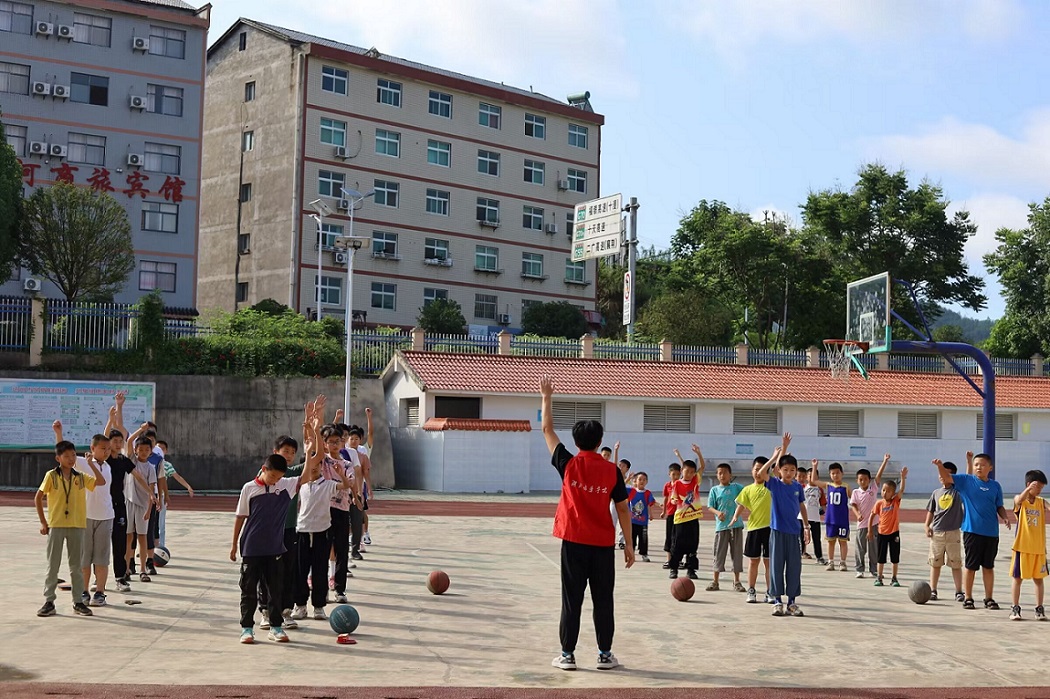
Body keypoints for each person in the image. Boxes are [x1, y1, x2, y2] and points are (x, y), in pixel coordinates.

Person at [540, 376, 633, 672]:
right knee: (603, 599)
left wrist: (546, 396)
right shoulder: (612, 472)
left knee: (572, 599)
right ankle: (605, 655)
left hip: (574, 542)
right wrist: (629, 544)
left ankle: (567, 655)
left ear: (576, 441)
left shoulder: (568, 463)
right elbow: (623, 509)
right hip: (603, 545)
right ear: (600, 441)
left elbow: (547, 429)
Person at [230, 452, 310, 644]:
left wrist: (310, 448)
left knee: (275, 590)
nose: (275, 480)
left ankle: (276, 627)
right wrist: (233, 545)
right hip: (251, 548)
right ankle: (247, 629)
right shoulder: (249, 488)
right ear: (264, 469)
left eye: (279, 477)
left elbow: (307, 474)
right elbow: (240, 517)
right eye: (272, 476)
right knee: (248, 590)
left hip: (274, 548)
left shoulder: (284, 486)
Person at [35, 440, 105, 617]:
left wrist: (90, 464)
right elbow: (38, 497)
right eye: (66, 456)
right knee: (53, 565)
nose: (71, 459)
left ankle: (78, 601)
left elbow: (101, 481)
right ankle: (49, 601)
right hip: (57, 525)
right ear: (58, 458)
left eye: (73, 455)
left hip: (77, 525)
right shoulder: (51, 476)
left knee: (77, 565)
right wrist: (43, 522)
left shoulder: (80, 477)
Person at [934, 454, 1013, 610]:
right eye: (976, 464)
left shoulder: (995, 486)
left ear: (990, 468)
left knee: (988, 567)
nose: (978, 467)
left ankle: (989, 598)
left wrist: (1005, 517)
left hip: (991, 533)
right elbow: (947, 477)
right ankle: (968, 597)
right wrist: (940, 466)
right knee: (970, 566)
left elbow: (999, 506)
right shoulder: (966, 481)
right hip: (972, 532)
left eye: (982, 465)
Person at [753, 434, 809, 617]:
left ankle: (791, 603)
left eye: (792, 470)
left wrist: (806, 527)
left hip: (794, 532)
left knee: (794, 568)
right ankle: (777, 601)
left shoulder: (797, 487)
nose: (789, 473)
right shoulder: (775, 485)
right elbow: (762, 473)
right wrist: (774, 456)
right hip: (777, 532)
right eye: (786, 469)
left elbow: (802, 506)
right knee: (776, 566)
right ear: (780, 470)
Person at [730, 456, 774, 604]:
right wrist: (735, 517)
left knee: (769, 563)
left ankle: (770, 591)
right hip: (754, 529)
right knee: (753, 561)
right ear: (752, 470)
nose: (758, 472)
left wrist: (780, 455)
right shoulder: (747, 489)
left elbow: (777, 469)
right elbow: (741, 505)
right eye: (756, 469)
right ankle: (751, 590)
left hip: (770, 529)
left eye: (762, 470)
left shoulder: (771, 486)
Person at [1009, 470, 1048, 621]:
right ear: (1029, 484)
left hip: (1038, 548)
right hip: (1022, 547)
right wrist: (1027, 490)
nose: (1039, 490)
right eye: (1038, 487)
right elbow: (1018, 500)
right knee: (1018, 578)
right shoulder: (1021, 501)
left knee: (1038, 579)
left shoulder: (1041, 502)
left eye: (1042, 488)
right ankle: (1015, 608)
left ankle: (1039, 608)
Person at [925, 461, 964, 602]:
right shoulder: (936, 493)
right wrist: (927, 525)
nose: (941, 476)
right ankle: (933, 590)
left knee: (955, 563)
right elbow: (931, 510)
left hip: (953, 533)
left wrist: (968, 461)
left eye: (945, 473)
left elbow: (968, 476)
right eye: (940, 473)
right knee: (935, 563)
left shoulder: (958, 492)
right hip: (937, 533)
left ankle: (959, 591)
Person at [123, 435, 158, 584]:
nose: (143, 452)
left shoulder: (151, 468)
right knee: (128, 537)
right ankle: (126, 569)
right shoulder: (132, 461)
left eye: (146, 449)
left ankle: (143, 569)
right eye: (141, 449)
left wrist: (149, 510)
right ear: (136, 450)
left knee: (142, 538)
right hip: (129, 502)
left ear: (151, 451)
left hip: (143, 505)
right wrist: (141, 430)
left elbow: (151, 490)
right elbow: (129, 441)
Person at [668, 445, 706, 580]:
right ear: (681, 471)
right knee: (677, 545)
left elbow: (703, 466)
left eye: (691, 472)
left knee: (693, 545)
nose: (689, 474)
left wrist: (699, 453)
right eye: (686, 471)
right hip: (680, 519)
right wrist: (674, 501)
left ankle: (691, 570)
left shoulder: (695, 481)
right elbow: (673, 499)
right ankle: (674, 568)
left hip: (693, 518)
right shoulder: (677, 484)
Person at [849, 454, 890, 578]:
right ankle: (859, 569)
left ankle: (873, 570)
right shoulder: (856, 492)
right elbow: (853, 505)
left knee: (874, 548)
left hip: (874, 524)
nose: (863, 481)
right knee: (860, 548)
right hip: (862, 525)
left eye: (865, 479)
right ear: (857, 480)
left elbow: (879, 475)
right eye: (860, 479)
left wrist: (884, 461)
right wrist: (858, 514)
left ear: (869, 480)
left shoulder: (873, 488)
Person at [706, 462, 745, 592]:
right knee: (719, 554)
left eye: (725, 473)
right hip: (721, 527)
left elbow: (747, 495)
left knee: (737, 554)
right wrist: (718, 513)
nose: (722, 475)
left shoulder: (736, 487)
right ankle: (715, 581)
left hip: (736, 526)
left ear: (730, 475)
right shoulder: (715, 490)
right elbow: (710, 506)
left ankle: (737, 581)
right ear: (717, 475)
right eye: (720, 473)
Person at [868, 467, 908, 587]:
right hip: (882, 533)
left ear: (893, 493)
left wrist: (902, 478)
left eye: (888, 491)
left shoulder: (895, 501)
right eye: (884, 490)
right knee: (881, 558)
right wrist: (870, 530)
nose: (885, 493)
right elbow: (871, 516)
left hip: (894, 533)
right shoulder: (879, 503)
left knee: (894, 557)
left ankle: (894, 578)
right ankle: (879, 577)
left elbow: (902, 490)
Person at [810, 461, 850, 572]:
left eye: (837, 473)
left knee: (843, 541)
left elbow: (855, 499)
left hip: (842, 520)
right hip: (831, 519)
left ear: (842, 473)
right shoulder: (828, 485)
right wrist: (814, 466)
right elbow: (814, 480)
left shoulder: (846, 487)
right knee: (830, 542)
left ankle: (843, 562)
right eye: (833, 473)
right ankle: (831, 561)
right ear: (830, 475)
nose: (835, 475)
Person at [156, 440, 195, 550]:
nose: (160, 450)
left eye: (162, 449)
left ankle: (160, 547)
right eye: (158, 448)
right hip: (150, 496)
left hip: (161, 496)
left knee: (160, 524)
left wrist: (188, 486)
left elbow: (177, 477)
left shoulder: (167, 465)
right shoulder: (149, 461)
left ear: (166, 451)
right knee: (147, 524)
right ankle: (146, 547)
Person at [796, 466, 826, 565]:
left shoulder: (820, 490)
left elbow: (823, 504)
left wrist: (825, 513)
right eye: (810, 476)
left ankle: (819, 557)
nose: (812, 478)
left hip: (815, 518)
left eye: (814, 476)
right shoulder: (802, 488)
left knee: (816, 538)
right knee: (801, 537)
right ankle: (800, 554)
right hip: (802, 517)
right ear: (806, 477)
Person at [626, 472, 657, 563]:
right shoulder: (631, 491)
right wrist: (628, 479)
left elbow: (649, 504)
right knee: (631, 538)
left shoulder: (647, 493)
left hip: (643, 522)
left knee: (643, 539)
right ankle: (631, 554)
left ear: (647, 481)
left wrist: (651, 514)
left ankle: (644, 554)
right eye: (640, 479)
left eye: (644, 480)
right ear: (635, 481)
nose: (642, 481)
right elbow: (620, 487)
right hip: (632, 521)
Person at [661, 463, 682, 568]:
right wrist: (664, 511)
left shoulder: (681, 484)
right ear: (669, 474)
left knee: (678, 537)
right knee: (669, 536)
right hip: (670, 513)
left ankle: (678, 560)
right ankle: (669, 559)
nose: (676, 476)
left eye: (678, 474)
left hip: (680, 514)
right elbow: (665, 498)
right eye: (673, 474)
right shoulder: (667, 485)